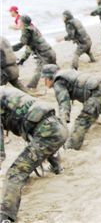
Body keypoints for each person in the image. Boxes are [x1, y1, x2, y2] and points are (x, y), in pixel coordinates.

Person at [0, 87, 67, 223]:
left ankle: (5, 216)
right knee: (39, 147)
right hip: (58, 127)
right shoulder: (4, 91)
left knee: (15, 173)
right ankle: (57, 167)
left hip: (47, 132)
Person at [41, 64, 101, 149]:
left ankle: (72, 147)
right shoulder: (67, 72)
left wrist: (63, 123)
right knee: (99, 107)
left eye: (44, 79)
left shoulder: (58, 82)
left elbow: (64, 104)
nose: (44, 82)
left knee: (81, 121)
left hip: (98, 95)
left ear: (49, 77)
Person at [11, 15, 57, 90]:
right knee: (54, 70)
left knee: (39, 71)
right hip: (50, 52)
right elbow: (29, 47)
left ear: (22, 23)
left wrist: (8, 48)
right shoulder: (33, 28)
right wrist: (22, 59)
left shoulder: (26, 30)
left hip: (44, 54)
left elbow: (22, 44)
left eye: (19, 21)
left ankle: (31, 87)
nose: (18, 23)